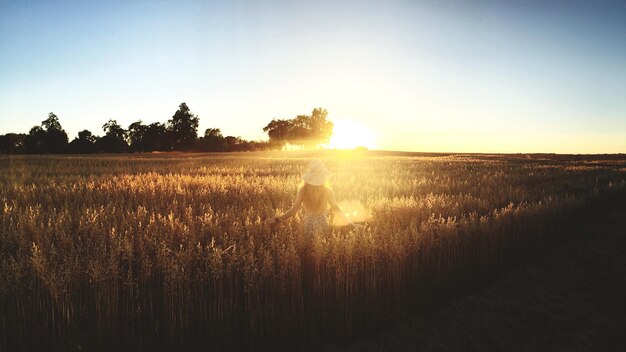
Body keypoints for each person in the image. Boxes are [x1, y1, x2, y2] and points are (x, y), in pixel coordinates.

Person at [266, 159, 354, 236]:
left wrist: (277, 219)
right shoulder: (328, 191)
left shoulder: (303, 190)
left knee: (308, 250)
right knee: (320, 249)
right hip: (322, 224)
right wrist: (351, 224)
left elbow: (293, 211)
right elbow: (337, 210)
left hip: (307, 224)